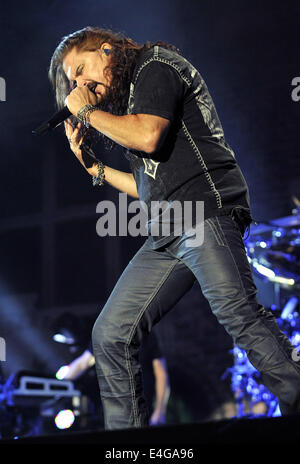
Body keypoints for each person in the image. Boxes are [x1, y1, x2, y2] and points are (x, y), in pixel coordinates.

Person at [48, 26, 300, 430]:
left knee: (240, 316)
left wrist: (88, 112)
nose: (77, 84)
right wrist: (92, 164)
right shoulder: (128, 101)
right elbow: (146, 187)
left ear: (107, 50)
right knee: (111, 334)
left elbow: (149, 137)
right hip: (168, 228)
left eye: (80, 70)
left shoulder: (155, 66)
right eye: (71, 81)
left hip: (203, 213)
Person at [56, 332, 169, 426]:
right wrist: (57, 385)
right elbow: (83, 363)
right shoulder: (105, 333)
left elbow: (161, 374)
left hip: (140, 407)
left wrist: (160, 410)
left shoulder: (145, 334)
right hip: (113, 409)